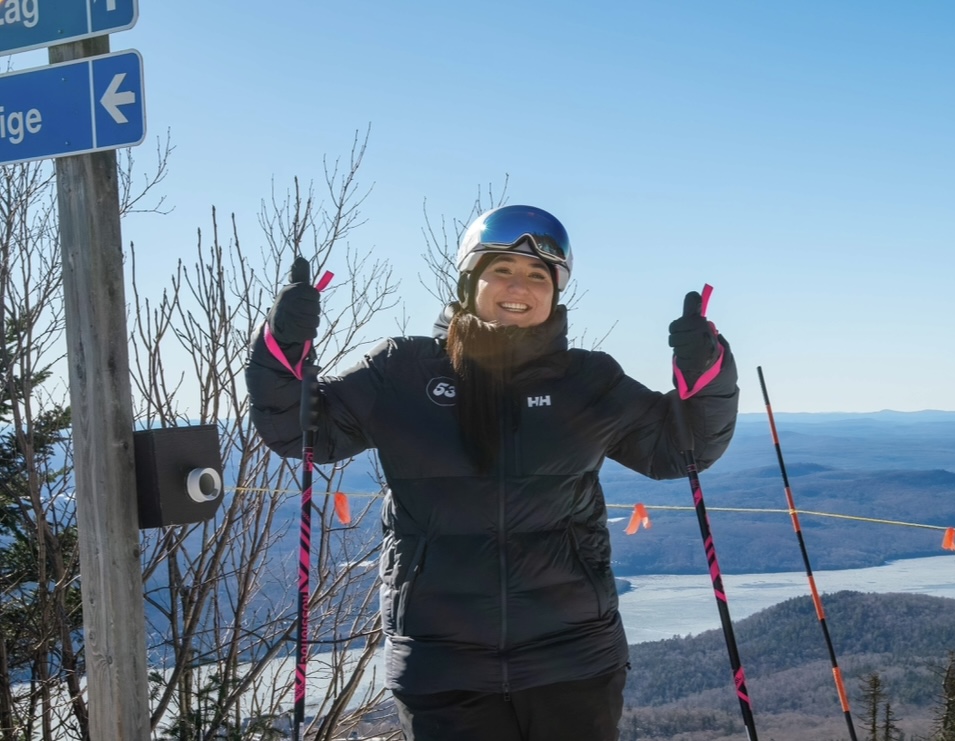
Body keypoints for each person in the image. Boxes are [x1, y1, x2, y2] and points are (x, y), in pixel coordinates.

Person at [246, 205, 739, 741]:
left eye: (538, 276)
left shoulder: (588, 380)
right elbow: (299, 430)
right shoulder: (402, 372)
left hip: (573, 660)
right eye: (502, 269)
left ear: (555, 292)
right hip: (444, 667)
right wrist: (283, 344)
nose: (519, 287)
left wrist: (707, 370)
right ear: (469, 281)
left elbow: (682, 448)